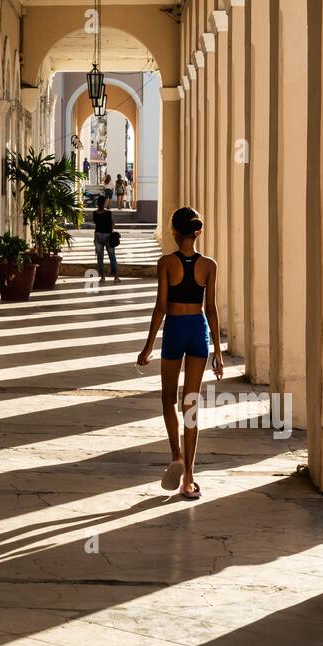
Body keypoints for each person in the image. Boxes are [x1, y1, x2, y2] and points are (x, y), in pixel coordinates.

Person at [137, 206, 223, 500]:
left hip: (175, 328)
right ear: (198, 232)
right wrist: (219, 353)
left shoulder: (166, 263)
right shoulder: (209, 265)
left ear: (174, 231)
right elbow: (210, 309)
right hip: (198, 331)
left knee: (167, 398)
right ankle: (188, 480)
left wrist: (148, 345)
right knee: (191, 403)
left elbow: (160, 306)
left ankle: (176, 455)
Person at [92, 194, 120, 284]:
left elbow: (96, 222)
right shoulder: (109, 213)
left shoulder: (94, 213)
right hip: (108, 236)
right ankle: (116, 277)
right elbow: (113, 224)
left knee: (100, 258)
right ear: (104, 203)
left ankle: (103, 277)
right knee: (112, 257)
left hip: (98, 235)